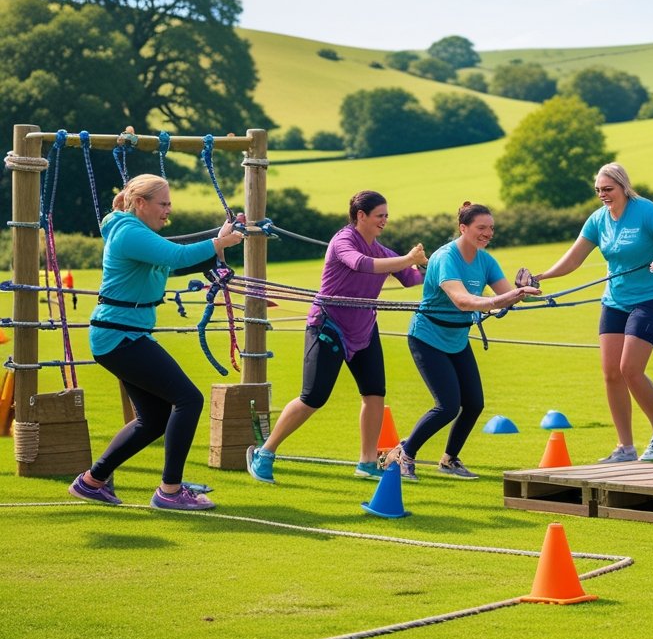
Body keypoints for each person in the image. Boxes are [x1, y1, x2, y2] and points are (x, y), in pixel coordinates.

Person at [68, 174, 244, 510]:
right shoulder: (129, 232)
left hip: (124, 335)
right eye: (162, 204)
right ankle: (170, 491)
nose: (168, 211)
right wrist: (220, 244)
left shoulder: (139, 233)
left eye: (169, 204)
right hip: (120, 337)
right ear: (140, 203)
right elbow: (176, 257)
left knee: (154, 418)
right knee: (188, 399)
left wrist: (220, 240)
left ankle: (92, 482)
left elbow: (172, 263)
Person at [247, 191, 425, 484]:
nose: (384, 221)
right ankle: (264, 453)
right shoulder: (342, 241)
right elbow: (361, 264)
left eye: (386, 215)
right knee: (312, 397)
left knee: (375, 394)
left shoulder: (382, 251)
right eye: (379, 215)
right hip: (329, 327)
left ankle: (367, 462)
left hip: (365, 329)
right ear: (361, 216)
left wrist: (431, 268)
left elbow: (412, 278)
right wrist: (407, 258)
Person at [528, 163, 653, 463]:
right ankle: (625, 448)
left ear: (623, 187)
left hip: (650, 299)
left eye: (608, 189)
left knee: (630, 369)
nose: (603, 195)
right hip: (615, 301)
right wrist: (542, 277)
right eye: (599, 190)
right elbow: (573, 259)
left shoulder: (645, 210)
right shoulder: (598, 220)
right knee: (611, 373)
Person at [384, 203, 539, 481]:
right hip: (427, 338)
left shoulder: (486, 260)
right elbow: (463, 300)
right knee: (447, 406)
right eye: (481, 228)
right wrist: (499, 300)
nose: (487, 233)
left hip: (457, 338)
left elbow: (508, 294)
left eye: (491, 228)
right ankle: (403, 454)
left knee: (474, 403)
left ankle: (449, 460)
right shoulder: (446, 258)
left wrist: (526, 289)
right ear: (463, 228)